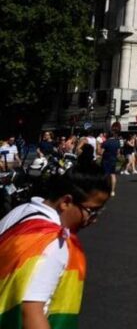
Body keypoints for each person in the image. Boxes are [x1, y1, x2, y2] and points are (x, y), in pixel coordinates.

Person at [0, 163, 110, 328]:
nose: (94, 219)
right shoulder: (54, 243)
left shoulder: (21, 211)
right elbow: (30, 311)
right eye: (91, 211)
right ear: (66, 201)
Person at [100, 129, 121, 197]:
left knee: (105, 175)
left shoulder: (105, 142)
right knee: (113, 175)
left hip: (106, 160)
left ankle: (105, 190)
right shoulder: (117, 142)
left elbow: (101, 152)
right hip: (113, 160)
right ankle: (112, 191)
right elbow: (118, 153)